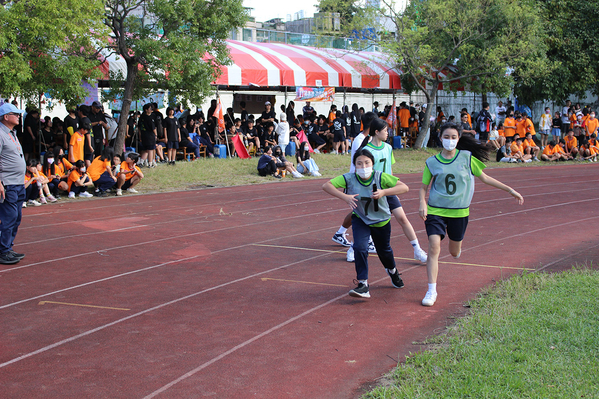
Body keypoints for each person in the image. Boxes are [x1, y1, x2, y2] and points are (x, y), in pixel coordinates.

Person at [418, 122, 524, 306]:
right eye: (446, 137)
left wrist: (509, 189)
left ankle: (456, 247)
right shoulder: (432, 162)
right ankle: (431, 290)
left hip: (459, 212)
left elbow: (485, 178)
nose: (449, 141)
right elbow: (423, 187)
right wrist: (422, 203)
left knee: (454, 251)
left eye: (453, 137)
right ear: (440, 138)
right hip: (436, 210)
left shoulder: (467, 158)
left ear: (458, 139)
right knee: (434, 246)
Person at [322, 148, 410, 298]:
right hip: (361, 219)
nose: (363, 167)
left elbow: (404, 187)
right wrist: (345, 196)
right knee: (359, 247)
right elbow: (326, 186)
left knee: (385, 251)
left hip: (381, 221)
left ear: (372, 164)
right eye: (359, 164)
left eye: (366, 163)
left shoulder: (380, 177)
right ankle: (363, 284)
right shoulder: (349, 178)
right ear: (355, 166)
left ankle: (392, 271)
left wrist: (384, 192)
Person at [0, 103, 27, 264]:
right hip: (8, 183)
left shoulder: (12, 133)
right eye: (15, 114)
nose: (18, 116)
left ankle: (7, 247)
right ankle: (4, 250)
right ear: (5, 117)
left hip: (18, 183)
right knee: (9, 217)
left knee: (16, 217)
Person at [138, 103, 157, 168]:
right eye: (150, 108)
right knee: (150, 150)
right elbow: (153, 128)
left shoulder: (142, 117)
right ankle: (150, 164)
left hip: (143, 135)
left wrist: (140, 136)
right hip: (150, 136)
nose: (151, 109)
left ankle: (141, 162)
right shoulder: (149, 118)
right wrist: (156, 134)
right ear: (146, 110)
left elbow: (139, 128)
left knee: (146, 150)